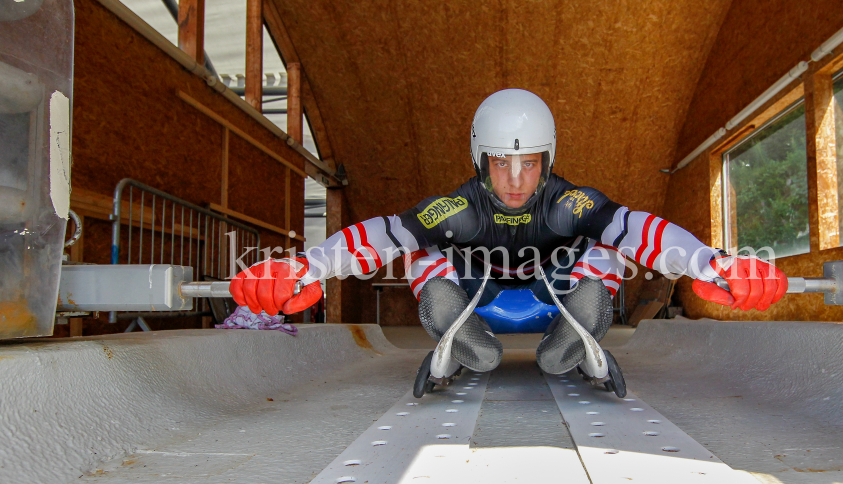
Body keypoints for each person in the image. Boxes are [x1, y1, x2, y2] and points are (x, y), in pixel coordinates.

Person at [230, 89, 788, 381]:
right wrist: (305, 268)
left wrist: (711, 265)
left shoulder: (571, 201)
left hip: (557, 305)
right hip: (480, 303)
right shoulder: (456, 206)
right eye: (501, 163)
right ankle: (465, 340)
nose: (517, 180)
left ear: (548, 160)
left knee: (609, 245)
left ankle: (570, 346)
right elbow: (383, 235)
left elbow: (638, 228)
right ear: (480, 160)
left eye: (529, 164)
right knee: (420, 249)